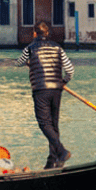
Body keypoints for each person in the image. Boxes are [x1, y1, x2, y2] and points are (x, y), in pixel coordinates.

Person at [16, 20, 74, 169]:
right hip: (56, 89)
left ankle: (61, 151)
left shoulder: (30, 48)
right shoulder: (58, 48)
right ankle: (53, 161)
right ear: (47, 34)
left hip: (41, 90)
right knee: (53, 124)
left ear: (34, 33)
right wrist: (64, 81)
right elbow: (70, 70)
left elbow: (18, 62)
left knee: (44, 123)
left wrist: (27, 62)